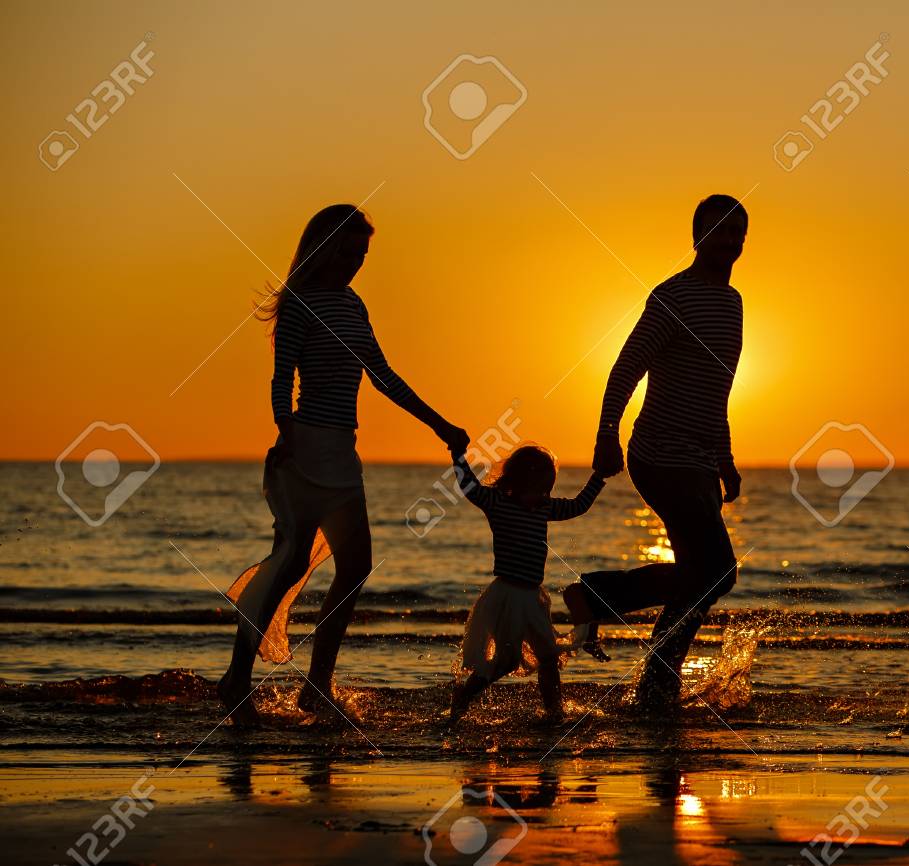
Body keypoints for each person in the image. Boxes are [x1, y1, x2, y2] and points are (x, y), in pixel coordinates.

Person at [218, 204, 469, 727]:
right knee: (288, 565)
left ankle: (316, 684)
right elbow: (280, 379)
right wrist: (285, 431)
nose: (356, 262)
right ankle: (237, 679)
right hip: (304, 451)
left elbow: (383, 375)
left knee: (353, 570)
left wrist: (441, 425)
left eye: (363, 254)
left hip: (342, 454)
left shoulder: (354, 305)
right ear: (325, 247)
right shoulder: (300, 304)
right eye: (349, 251)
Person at [564, 194, 747, 709]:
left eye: (738, 232)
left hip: (699, 460)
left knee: (697, 574)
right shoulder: (673, 297)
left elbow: (718, 389)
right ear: (696, 237)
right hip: (660, 456)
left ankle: (656, 687)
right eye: (719, 230)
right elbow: (626, 368)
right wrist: (606, 433)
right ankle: (600, 599)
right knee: (718, 571)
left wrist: (725, 457)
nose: (729, 240)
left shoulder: (732, 303)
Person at [450, 443, 608, 723]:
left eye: (547, 489)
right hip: (508, 595)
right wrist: (457, 454)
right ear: (523, 480)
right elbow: (469, 487)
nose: (544, 494)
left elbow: (579, 506)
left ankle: (553, 712)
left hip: (533, 596)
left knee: (548, 657)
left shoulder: (544, 507)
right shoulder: (498, 503)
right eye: (541, 487)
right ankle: (464, 695)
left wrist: (599, 476)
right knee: (506, 662)